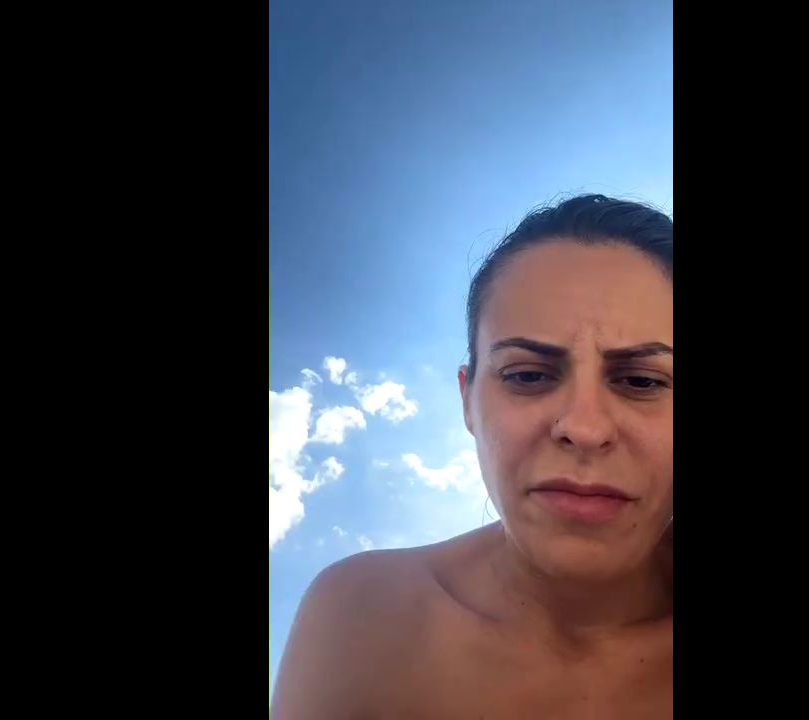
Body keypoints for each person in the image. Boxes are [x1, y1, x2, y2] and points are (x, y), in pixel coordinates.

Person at [271, 194, 673, 719]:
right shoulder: (364, 617)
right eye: (527, 375)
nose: (584, 428)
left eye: (642, 381)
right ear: (468, 400)